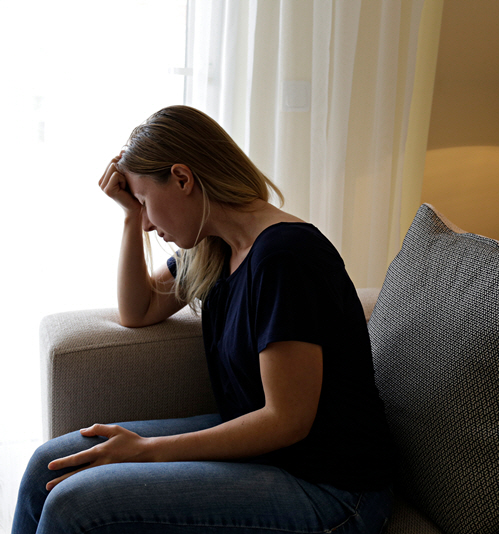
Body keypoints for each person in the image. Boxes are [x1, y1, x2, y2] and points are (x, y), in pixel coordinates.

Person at [12, 105, 394, 534]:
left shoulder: (286, 257)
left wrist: (148, 450)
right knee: (46, 469)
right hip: (271, 457)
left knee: (73, 505)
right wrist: (129, 216)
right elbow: (137, 311)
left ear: (182, 178)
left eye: (144, 202)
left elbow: (288, 420)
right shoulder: (216, 249)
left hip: (332, 488)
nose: (148, 224)